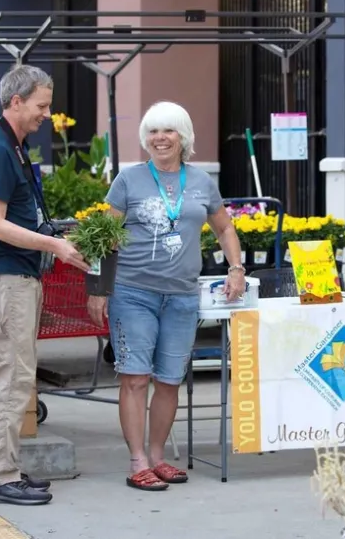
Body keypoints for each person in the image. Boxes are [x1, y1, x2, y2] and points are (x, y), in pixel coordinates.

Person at [87, 101, 246, 491]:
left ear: (183, 137)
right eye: (154, 131)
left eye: (169, 131)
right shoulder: (129, 180)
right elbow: (104, 239)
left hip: (182, 297)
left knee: (170, 380)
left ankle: (158, 457)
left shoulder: (202, 182)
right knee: (136, 379)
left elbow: (224, 228)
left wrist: (237, 268)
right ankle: (137, 461)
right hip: (133, 293)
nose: (160, 138)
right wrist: (97, 290)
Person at [0, 64, 89, 505]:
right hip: (6, 279)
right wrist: (55, 247)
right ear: (15, 101)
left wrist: (54, 240)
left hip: (17, 278)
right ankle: (0, 477)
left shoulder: (12, 148)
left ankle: (4, 469)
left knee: (17, 378)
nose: (47, 114)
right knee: (13, 379)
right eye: (41, 105)